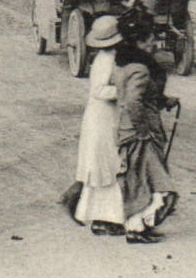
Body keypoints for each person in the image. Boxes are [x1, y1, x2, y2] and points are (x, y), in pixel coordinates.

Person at [60, 15, 127, 236]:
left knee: (107, 166)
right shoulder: (104, 61)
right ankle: (102, 218)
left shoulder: (112, 58)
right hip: (101, 118)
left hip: (107, 117)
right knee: (105, 167)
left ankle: (105, 216)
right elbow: (98, 91)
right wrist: (125, 92)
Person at [113, 31, 179, 244]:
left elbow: (141, 98)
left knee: (141, 180)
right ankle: (136, 228)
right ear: (138, 42)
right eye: (149, 39)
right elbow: (134, 102)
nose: (155, 44)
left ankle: (139, 226)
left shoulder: (126, 65)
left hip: (131, 131)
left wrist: (163, 100)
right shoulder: (140, 69)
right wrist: (143, 131)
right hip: (140, 134)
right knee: (154, 182)